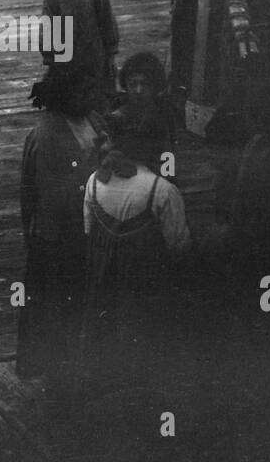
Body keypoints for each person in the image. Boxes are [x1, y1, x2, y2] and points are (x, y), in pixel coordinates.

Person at [79, 107, 193, 391]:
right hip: (146, 284)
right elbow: (179, 245)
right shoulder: (162, 191)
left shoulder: (94, 182)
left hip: (104, 281)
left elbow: (88, 231)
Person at [17, 69, 107, 388]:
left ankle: (75, 367)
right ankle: (57, 377)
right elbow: (45, 194)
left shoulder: (94, 121)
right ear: (63, 97)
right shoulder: (47, 135)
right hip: (57, 237)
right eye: (82, 92)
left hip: (87, 229)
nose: (90, 98)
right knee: (57, 309)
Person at [42, 0, 120, 108]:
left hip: (94, 56)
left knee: (100, 98)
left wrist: (111, 54)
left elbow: (108, 24)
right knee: (70, 98)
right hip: (67, 58)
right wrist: (50, 58)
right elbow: (49, 30)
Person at [111, 51, 174, 175]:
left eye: (145, 84)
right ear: (126, 85)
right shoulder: (117, 115)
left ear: (155, 85)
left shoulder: (164, 113)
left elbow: (168, 153)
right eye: (133, 84)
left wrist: (168, 179)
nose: (139, 90)